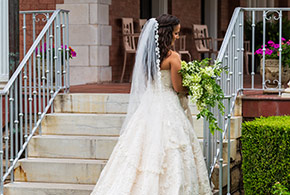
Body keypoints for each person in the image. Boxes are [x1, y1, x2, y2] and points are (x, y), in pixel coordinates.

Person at [90, 14, 212, 195]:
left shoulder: (147, 57)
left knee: (141, 146)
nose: (177, 37)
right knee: (172, 148)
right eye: (176, 33)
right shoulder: (173, 57)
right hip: (168, 103)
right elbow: (178, 87)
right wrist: (195, 84)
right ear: (167, 33)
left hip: (150, 103)